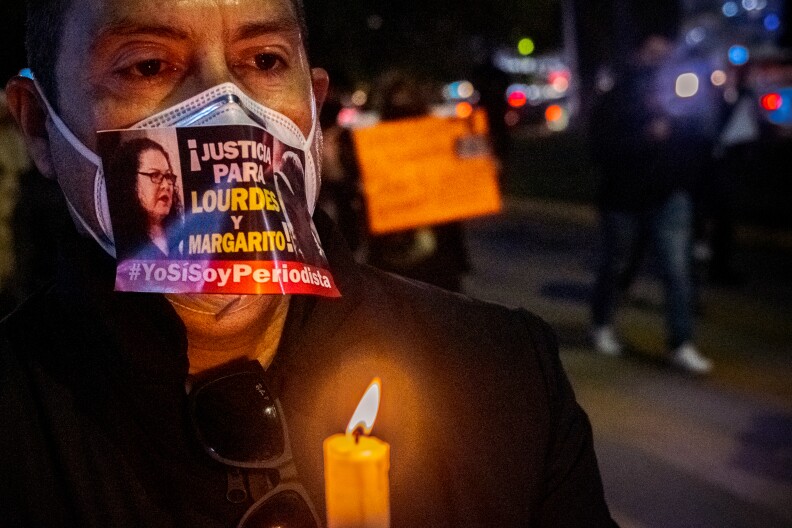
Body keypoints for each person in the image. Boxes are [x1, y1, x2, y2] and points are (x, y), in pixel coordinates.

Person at [0, 0, 616, 526]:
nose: (224, 109)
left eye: (266, 61)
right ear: (38, 127)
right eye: (147, 66)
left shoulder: (506, 382)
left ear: (313, 109)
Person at [588, 34, 714, 374]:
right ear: (637, 55)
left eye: (667, 54)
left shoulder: (683, 93)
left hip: (669, 195)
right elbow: (599, 148)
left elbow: (699, 142)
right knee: (616, 266)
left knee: (677, 271)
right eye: (653, 53)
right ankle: (601, 324)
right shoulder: (617, 97)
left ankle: (681, 343)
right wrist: (644, 136)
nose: (661, 61)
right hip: (623, 197)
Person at [364, 69, 471, 293]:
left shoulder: (439, 142)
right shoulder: (372, 147)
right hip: (395, 251)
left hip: (435, 254)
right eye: (397, 106)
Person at [105, 137, 183, 259]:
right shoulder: (119, 243)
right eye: (155, 175)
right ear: (130, 182)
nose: (166, 185)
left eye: (168, 176)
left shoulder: (179, 233)